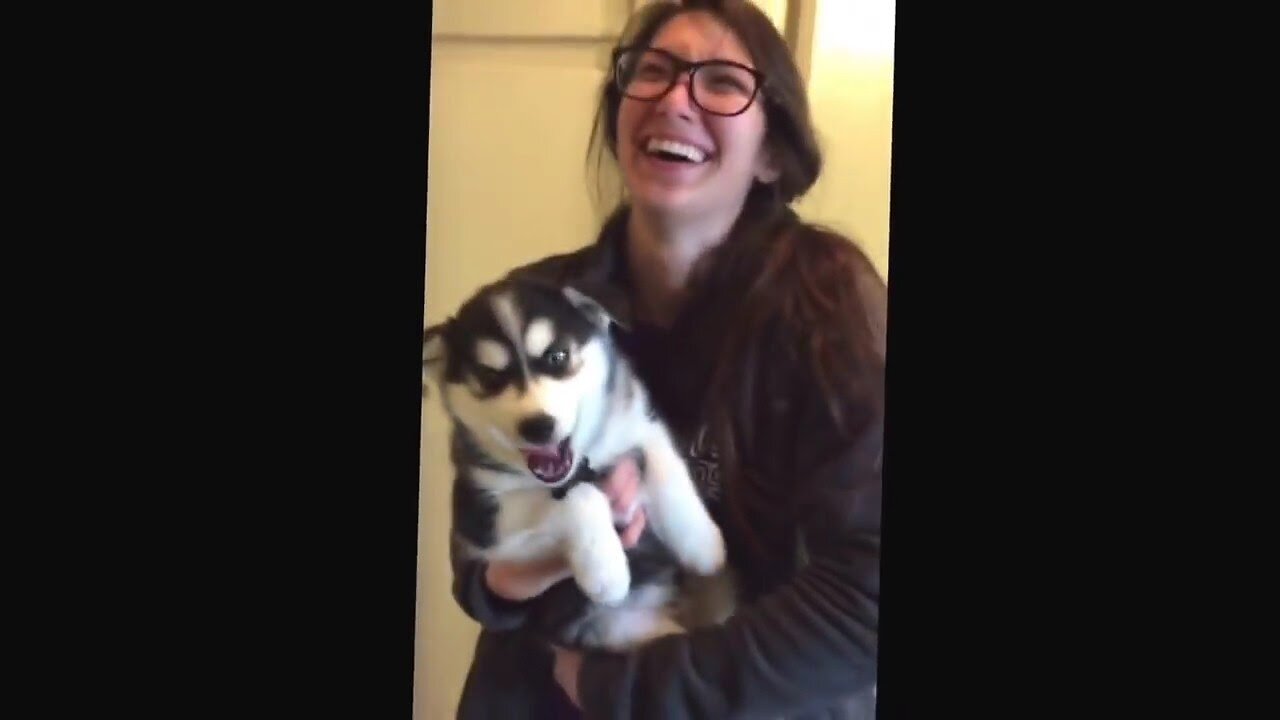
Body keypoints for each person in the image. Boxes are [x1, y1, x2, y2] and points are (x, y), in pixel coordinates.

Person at [448, 1, 885, 717]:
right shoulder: (537, 306)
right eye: (652, 72)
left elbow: (867, 597)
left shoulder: (832, 314)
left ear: (772, 153)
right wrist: (540, 555)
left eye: (719, 82)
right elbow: (477, 566)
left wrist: (623, 687)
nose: (675, 99)